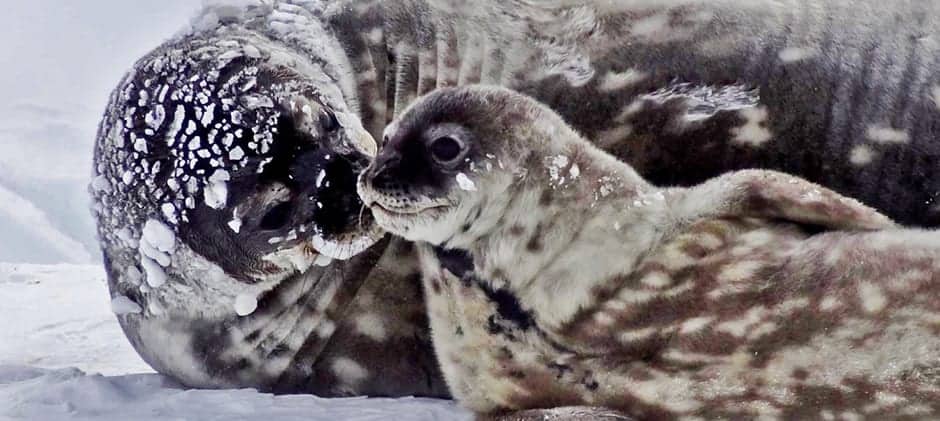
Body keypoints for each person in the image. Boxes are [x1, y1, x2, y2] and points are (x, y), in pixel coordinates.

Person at [92, 0, 940, 399]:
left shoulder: (362, 46)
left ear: (304, 80)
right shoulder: (199, 317)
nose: (342, 171)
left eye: (322, 127)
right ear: (207, 264)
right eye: (281, 211)